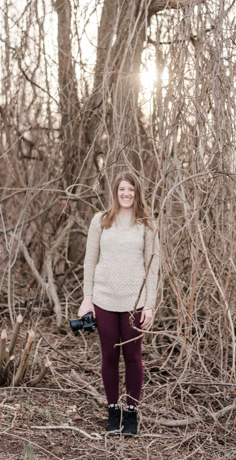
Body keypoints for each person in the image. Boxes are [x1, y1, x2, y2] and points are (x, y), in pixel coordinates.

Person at [77, 171, 160, 435]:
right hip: (103, 299)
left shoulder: (146, 224)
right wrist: (87, 299)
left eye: (131, 190)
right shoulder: (100, 221)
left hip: (134, 302)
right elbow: (90, 261)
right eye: (122, 189)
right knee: (109, 356)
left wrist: (149, 304)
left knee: (133, 357)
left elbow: (152, 266)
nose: (126, 194)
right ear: (115, 192)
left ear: (137, 194)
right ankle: (113, 411)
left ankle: (131, 414)